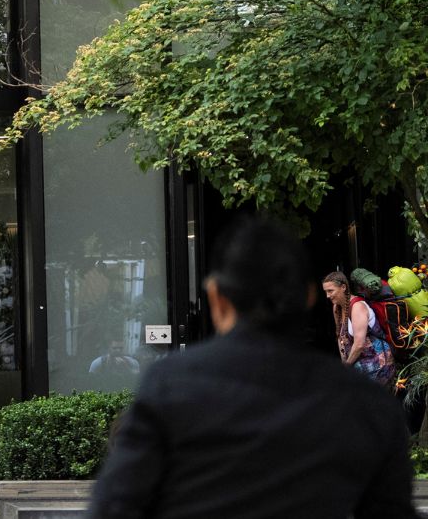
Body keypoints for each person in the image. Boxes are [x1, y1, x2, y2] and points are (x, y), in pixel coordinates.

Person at [88, 216, 414, 519]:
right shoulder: (364, 404)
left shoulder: (168, 387)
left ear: (216, 297)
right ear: (310, 296)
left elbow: (113, 508)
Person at [323, 270, 397, 389]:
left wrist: (345, 367)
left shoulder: (358, 307)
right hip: (359, 365)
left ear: (343, 287)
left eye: (330, 291)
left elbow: (359, 344)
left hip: (378, 364)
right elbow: (341, 337)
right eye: (326, 292)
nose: (327, 296)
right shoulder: (336, 307)